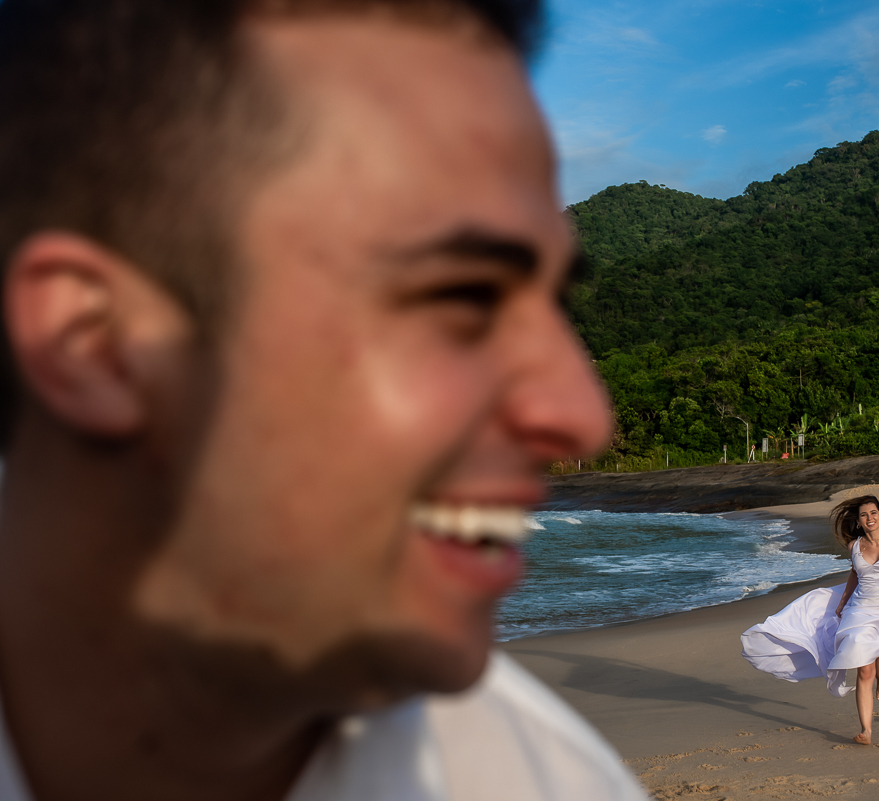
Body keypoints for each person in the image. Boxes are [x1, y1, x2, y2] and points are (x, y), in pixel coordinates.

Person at [0, 1, 647, 799]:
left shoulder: (547, 782)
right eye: (463, 297)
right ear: (94, 342)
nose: (582, 414)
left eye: (555, 307)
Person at [741, 494, 879, 746]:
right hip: (860, 612)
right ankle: (866, 731)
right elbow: (855, 575)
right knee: (864, 668)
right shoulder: (854, 547)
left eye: (873, 513)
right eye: (863, 515)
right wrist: (842, 602)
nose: (869, 518)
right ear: (859, 522)